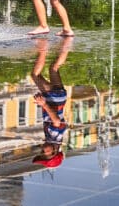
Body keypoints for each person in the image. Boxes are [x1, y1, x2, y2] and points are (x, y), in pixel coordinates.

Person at [31, 36, 72, 169]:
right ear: (54, 151)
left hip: (60, 99)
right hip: (53, 100)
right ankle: (43, 48)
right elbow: (56, 121)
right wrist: (44, 104)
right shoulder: (54, 138)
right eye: (45, 153)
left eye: (41, 152)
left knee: (54, 68)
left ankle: (67, 43)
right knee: (35, 75)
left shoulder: (54, 139)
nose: (42, 150)